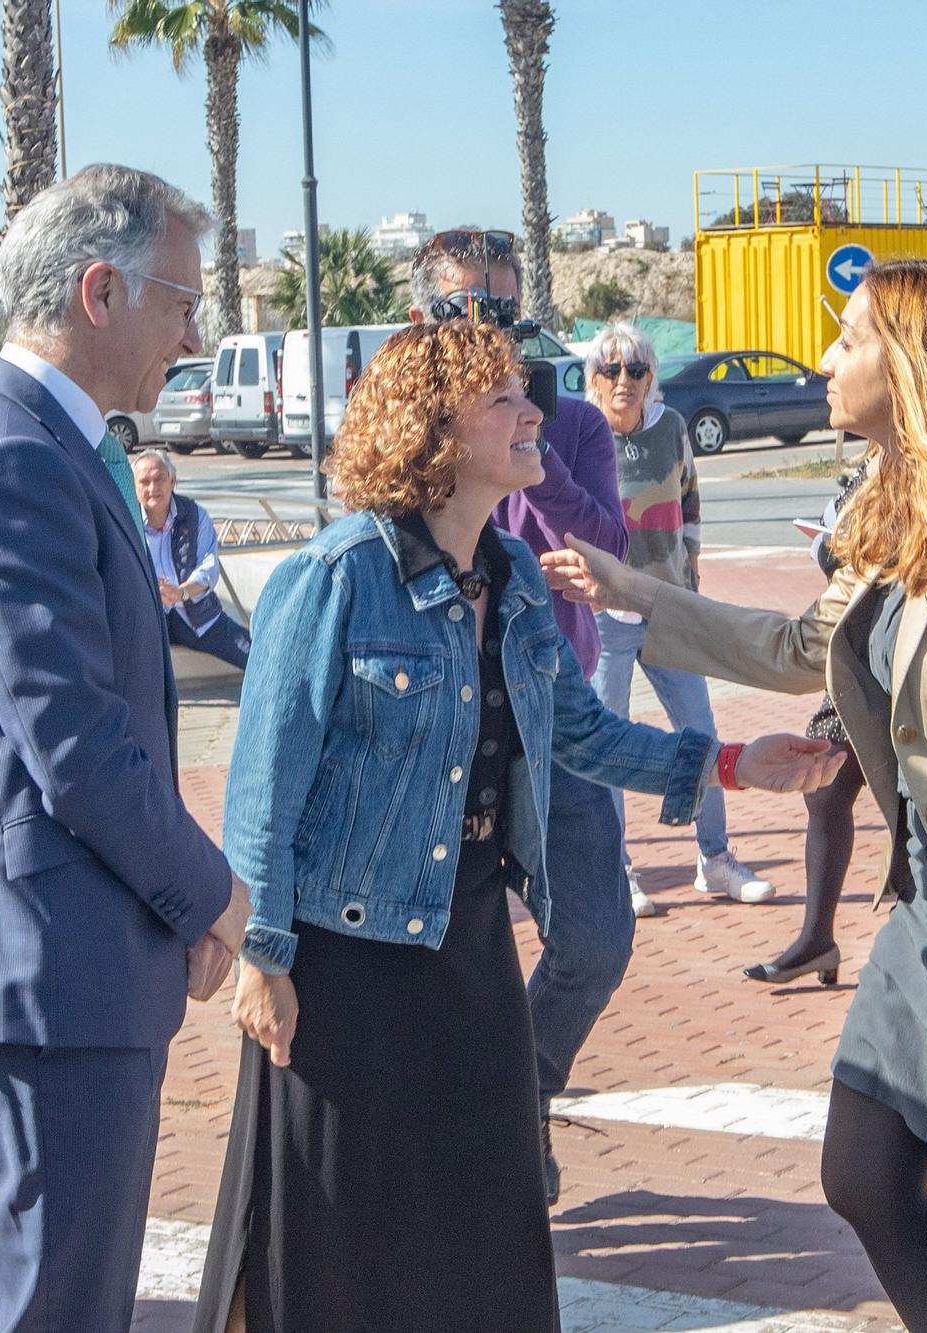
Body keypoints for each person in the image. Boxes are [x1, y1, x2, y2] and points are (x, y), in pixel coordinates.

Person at [546, 259, 927, 1332]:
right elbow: (799, 646)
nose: (826, 361)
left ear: (915, 361)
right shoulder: (899, 500)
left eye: (847, 338)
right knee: (862, 1173)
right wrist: (638, 592)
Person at [195, 321, 842, 1333]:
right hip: (341, 958)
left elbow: (576, 729)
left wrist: (724, 765)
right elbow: (261, 787)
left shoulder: (516, 575)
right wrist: (262, 958)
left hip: (467, 942)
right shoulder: (334, 577)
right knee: (330, 1236)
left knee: (480, 1222)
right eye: (502, 398)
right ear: (433, 431)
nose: (532, 409)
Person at [0, 163, 252, 1332]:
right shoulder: (13, 460)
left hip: (54, 964)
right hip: (41, 977)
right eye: (180, 300)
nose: (195, 333)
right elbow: (75, 742)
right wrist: (208, 894)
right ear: (99, 290)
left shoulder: (38, 444)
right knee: (65, 1311)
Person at [406, 226, 634, 1201]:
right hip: (433, 724)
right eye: (465, 304)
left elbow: (607, 547)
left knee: (591, 937)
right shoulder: (402, 410)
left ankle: (517, 1094)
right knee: (444, 951)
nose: (484, 323)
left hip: (553, 717)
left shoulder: (568, 418)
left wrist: (532, 436)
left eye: (501, 303)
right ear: (426, 314)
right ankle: (463, 1137)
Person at [584, 320, 778, 913]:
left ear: (651, 378)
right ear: (593, 380)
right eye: (611, 370)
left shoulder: (671, 428)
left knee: (700, 732)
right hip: (605, 611)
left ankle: (715, 859)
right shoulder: (584, 435)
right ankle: (615, 871)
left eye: (636, 369)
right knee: (608, 742)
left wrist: (690, 563)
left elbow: (689, 494)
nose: (624, 381)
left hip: (669, 605)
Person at [747, 461, 872, 987]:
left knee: (919, 808)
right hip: (857, 654)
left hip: (900, 665)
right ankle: (818, 939)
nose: (826, 372)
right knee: (826, 787)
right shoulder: (874, 457)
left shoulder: (923, 444)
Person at [131, 450, 251, 669]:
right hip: (149, 620)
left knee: (254, 653)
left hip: (197, 614)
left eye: (160, 479)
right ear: (134, 488)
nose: (152, 488)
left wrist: (181, 592)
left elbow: (209, 568)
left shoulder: (196, 515)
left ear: (173, 481)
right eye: (144, 482)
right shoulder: (127, 522)